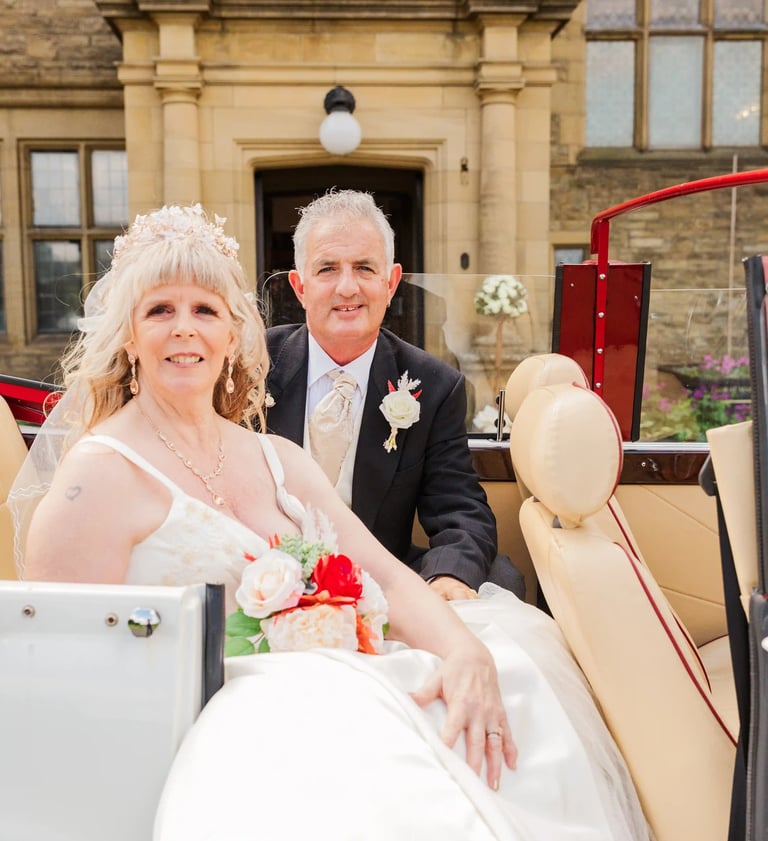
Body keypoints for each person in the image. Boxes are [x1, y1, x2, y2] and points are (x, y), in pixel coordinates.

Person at [13, 204, 649, 841]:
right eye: (160, 311)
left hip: (338, 681)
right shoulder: (95, 478)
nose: (185, 330)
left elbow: (390, 579)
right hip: (235, 730)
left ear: (232, 333)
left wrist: (464, 651)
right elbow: (66, 671)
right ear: (128, 333)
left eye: (205, 310)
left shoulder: (277, 458)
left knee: (510, 688)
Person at [266, 189, 525, 601]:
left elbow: (460, 507)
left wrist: (449, 579)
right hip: (264, 577)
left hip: (379, 583)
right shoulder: (252, 368)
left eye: (365, 268)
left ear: (391, 282)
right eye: (328, 269)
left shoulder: (434, 385)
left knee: (499, 577)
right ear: (300, 286)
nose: (347, 287)